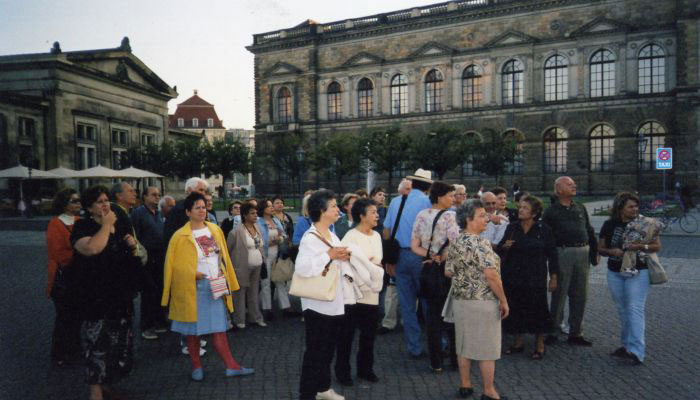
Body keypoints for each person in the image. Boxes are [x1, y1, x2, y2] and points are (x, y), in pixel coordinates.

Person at [162, 192, 253, 382]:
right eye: (197, 207)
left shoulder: (214, 229)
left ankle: (231, 366)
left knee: (219, 328)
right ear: (188, 212)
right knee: (192, 331)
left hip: (215, 285)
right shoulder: (179, 236)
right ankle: (196, 366)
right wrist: (192, 274)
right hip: (192, 288)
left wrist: (225, 277)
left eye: (204, 207)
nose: (202, 210)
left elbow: (222, 256)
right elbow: (173, 266)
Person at [71, 186, 141, 400]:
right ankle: (95, 392)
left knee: (118, 346)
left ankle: (107, 384)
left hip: (119, 297)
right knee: (97, 345)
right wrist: (107, 225)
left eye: (106, 201)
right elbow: (92, 248)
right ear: (89, 207)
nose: (105, 205)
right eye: (99, 202)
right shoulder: (82, 227)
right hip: (96, 299)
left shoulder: (117, 227)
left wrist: (131, 246)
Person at [446, 199, 509, 400]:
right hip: (483, 301)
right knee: (487, 348)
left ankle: (465, 385)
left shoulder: (456, 241)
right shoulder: (481, 243)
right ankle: (489, 391)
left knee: (463, 344)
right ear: (468, 219)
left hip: (460, 301)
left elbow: (448, 272)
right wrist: (504, 300)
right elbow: (491, 275)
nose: (487, 219)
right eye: (482, 216)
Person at [297, 189, 349, 400]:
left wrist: (342, 256)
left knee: (327, 349)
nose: (338, 209)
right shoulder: (310, 238)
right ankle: (307, 394)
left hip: (333, 301)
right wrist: (329, 255)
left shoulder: (331, 234)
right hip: (317, 304)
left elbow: (334, 262)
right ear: (321, 210)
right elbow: (302, 268)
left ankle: (323, 388)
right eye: (334, 206)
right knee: (315, 352)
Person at [598, 192, 660, 365]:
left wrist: (640, 246)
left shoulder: (645, 223)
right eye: (630, 206)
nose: (635, 209)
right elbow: (600, 248)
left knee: (635, 308)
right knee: (623, 309)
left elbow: (657, 246)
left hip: (638, 271)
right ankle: (626, 345)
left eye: (636, 206)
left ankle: (637, 351)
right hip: (615, 272)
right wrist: (611, 251)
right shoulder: (609, 224)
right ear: (620, 208)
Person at [497, 195, 558, 360]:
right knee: (516, 307)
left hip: (535, 276)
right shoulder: (512, 227)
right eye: (520, 207)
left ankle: (540, 344)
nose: (520, 210)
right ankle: (518, 342)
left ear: (534, 212)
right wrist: (505, 246)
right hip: (514, 275)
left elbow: (552, 254)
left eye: (525, 208)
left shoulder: (543, 229)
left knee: (538, 308)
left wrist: (553, 277)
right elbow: (501, 248)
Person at [382, 169, 432, 358]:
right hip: (421, 256)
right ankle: (437, 343)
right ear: (428, 186)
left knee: (407, 304)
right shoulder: (427, 202)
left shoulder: (396, 201)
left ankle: (414, 347)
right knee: (428, 301)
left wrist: (389, 258)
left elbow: (386, 232)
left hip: (400, 256)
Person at [334, 198, 384, 386]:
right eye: (373, 212)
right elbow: (343, 263)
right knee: (346, 336)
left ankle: (365, 370)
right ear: (362, 216)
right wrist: (366, 265)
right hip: (353, 294)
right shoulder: (351, 236)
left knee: (368, 336)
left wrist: (372, 266)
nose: (377, 215)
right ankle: (343, 372)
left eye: (377, 212)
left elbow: (378, 260)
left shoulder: (377, 235)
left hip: (372, 293)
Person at [411, 181, 460, 372]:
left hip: (428, 269)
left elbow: (414, 246)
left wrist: (431, 256)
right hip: (446, 270)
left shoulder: (421, 215)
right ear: (440, 197)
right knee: (452, 315)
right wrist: (441, 257)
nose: (453, 199)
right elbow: (455, 244)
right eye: (450, 195)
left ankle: (435, 362)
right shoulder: (450, 216)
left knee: (432, 318)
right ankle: (455, 360)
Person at [543, 176, 598, 346]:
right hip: (562, 253)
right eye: (569, 184)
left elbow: (589, 230)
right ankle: (553, 330)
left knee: (580, 294)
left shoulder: (580, 207)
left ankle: (576, 332)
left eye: (574, 183)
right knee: (559, 294)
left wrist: (594, 252)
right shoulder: (551, 211)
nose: (574, 186)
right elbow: (547, 237)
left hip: (582, 253)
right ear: (559, 190)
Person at [46, 188, 82, 367]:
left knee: (77, 316)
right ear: (64, 204)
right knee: (64, 317)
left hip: (79, 278)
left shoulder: (80, 221)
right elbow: (59, 253)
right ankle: (59, 354)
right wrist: (82, 253)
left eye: (78, 200)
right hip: (63, 279)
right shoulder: (55, 224)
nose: (78, 204)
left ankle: (75, 350)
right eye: (74, 201)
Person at [130, 186, 166, 339]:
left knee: (159, 289)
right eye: (153, 195)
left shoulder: (158, 213)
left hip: (160, 256)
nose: (157, 197)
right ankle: (146, 326)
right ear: (144, 197)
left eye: (159, 195)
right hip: (147, 257)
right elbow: (135, 235)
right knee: (148, 293)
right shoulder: (138, 213)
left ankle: (158, 321)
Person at [228, 202, 266, 329]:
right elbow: (228, 250)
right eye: (252, 213)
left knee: (254, 293)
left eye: (256, 213)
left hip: (257, 266)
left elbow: (260, 245)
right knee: (239, 294)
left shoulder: (257, 228)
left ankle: (255, 317)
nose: (256, 215)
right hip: (241, 267)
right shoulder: (236, 232)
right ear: (245, 215)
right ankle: (240, 320)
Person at [257, 198, 288, 320]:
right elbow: (258, 239)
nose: (272, 208)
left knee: (280, 280)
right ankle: (267, 309)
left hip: (277, 255)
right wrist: (269, 242)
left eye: (271, 206)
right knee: (266, 282)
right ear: (263, 209)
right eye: (269, 206)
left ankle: (285, 307)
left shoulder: (275, 220)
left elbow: (284, 235)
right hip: (265, 256)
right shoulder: (258, 222)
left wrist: (279, 239)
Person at [163, 177, 209, 245]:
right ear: (189, 190)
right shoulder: (178, 210)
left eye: (205, 191)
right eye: (201, 190)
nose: (203, 193)